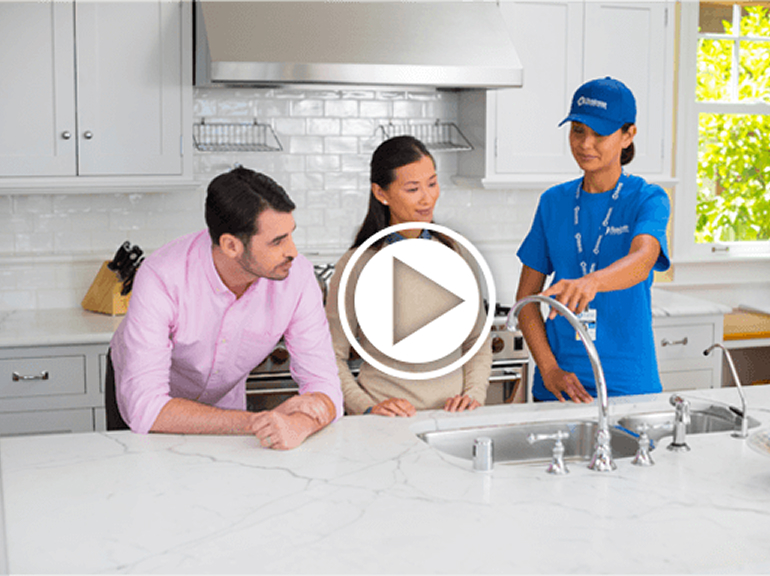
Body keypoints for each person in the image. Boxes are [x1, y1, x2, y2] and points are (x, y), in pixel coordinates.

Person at [110, 166, 343, 449]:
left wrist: (298, 425)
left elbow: (325, 384)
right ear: (231, 245)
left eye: (291, 234)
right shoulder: (161, 276)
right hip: (156, 415)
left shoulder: (298, 277)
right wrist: (256, 422)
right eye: (277, 241)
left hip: (227, 413)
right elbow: (146, 409)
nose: (292, 251)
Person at [515, 77, 671, 403]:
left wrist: (592, 282)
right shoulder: (553, 202)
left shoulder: (647, 198)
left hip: (628, 386)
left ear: (628, 136)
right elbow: (526, 303)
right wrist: (549, 371)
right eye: (578, 130)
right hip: (558, 388)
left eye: (600, 134)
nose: (585, 144)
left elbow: (643, 259)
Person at [325, 136, 492, 417]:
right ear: (381, 193)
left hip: (450, 418)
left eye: (432, 183)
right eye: (413, 188)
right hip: (385, 424)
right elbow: (332, 356)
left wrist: (473, 395)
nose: (427, 198)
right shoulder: (357, 264)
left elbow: (477, 341)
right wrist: (367, 407)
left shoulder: (456, 254)